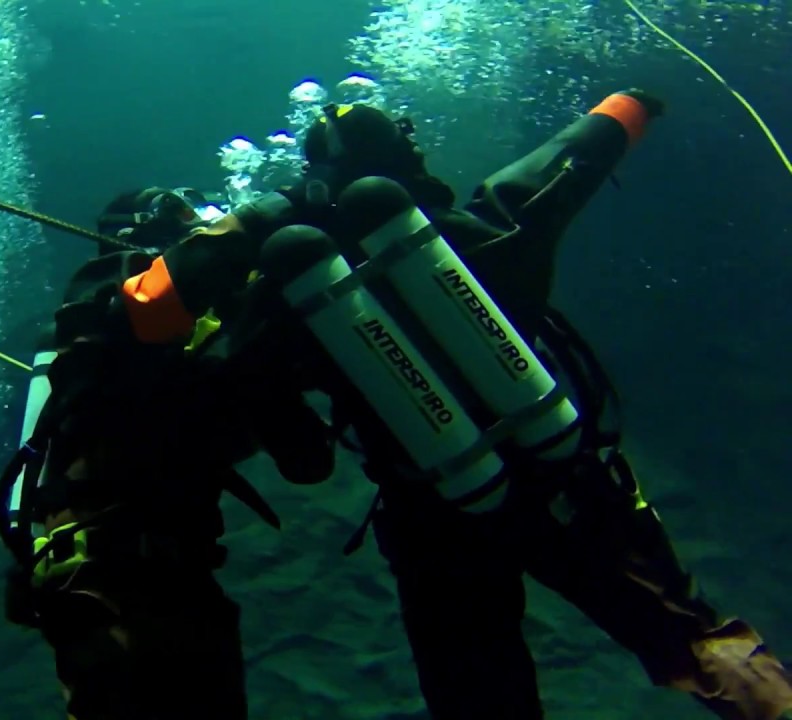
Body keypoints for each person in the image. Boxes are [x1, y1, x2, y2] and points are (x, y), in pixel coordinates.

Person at [86, 91, 792, 719]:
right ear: (405, 154)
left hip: (436, 528)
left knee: (481, 703)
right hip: (571, 489)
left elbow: (300, 458)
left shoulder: (295, 301)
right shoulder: (492, 223)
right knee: (697, 645)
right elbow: (577, 150)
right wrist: (633, 103)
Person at [0, 186, 336, 720]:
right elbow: (180, 278)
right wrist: (282, 203)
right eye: (180, 213)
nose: (197, 221)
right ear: (138, 230)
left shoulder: (185, 351)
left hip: (174, 580)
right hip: (109, 580)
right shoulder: (109, 293)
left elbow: (307, 460)